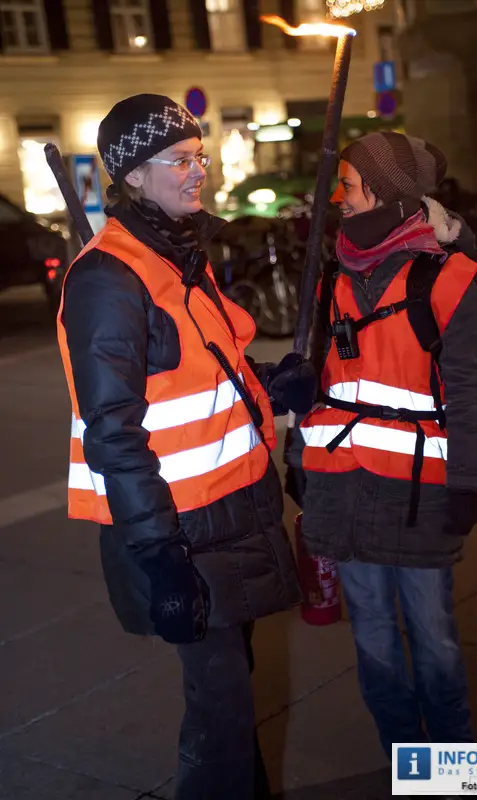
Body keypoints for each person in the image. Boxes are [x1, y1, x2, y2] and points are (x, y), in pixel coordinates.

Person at [55, 93, 316, 800]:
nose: (197, 171)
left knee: (232, 703)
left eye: (200, 155)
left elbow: (198, 374)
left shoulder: (176, 257)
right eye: (179, 160)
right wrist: (161, 558)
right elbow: (114, 428)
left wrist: (269, 383)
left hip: (229, 515)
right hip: (180, 533)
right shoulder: (110, 277)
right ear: (132, 175)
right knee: (220, 715)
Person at [286, 132, 477, 759]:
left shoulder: (450, 277)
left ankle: (452, 770)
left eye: (348, 184)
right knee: (372, 637)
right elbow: (316, 379)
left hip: (421, 494)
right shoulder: (329, 277)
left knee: (434, 640)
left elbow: (468, 392)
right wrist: (297, 455)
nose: (339, 197)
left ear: (386, 190)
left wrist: (469, 484)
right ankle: (408, 765)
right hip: (341, 485)